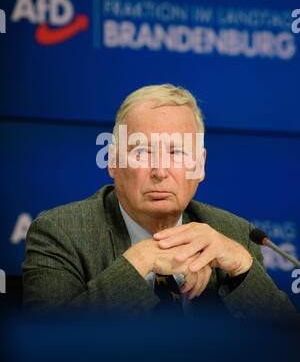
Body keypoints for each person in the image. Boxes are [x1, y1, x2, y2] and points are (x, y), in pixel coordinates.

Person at [23, 84, 296, 320]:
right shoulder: (60, 232)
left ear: (199, 166)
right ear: (113, 161)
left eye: (176, 152)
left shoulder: (234, 233)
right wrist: (141, 260)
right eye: (142, 152)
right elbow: (52, 344)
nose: (160, 171)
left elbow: (285, 346)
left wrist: (241, 266)